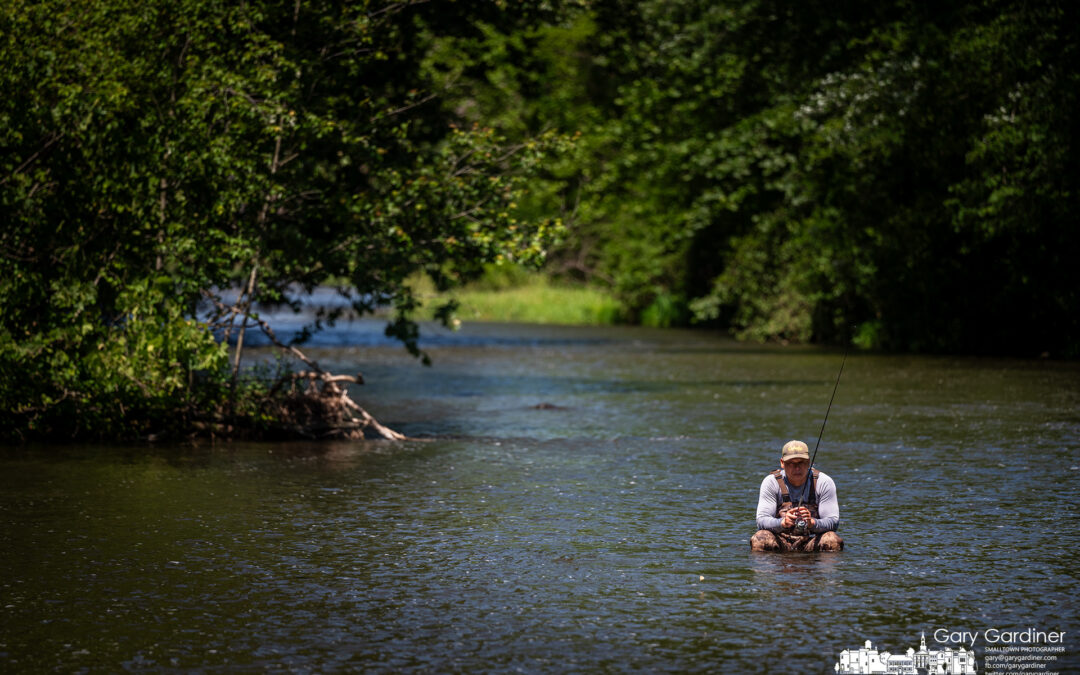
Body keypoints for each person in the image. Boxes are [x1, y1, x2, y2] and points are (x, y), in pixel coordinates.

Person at [751, 440, 844, 552]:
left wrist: (813, 523)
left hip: (812, 541)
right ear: (782, 463)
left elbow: (833, 522)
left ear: (809, 462)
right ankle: (772, 568)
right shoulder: (771, 483)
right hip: (780, 542)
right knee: (760, 538)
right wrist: (782, 523)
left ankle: (819, 568)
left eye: (801, 462)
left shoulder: (824, 482)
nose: (797, 468)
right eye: (791, 463)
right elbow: (761, 521)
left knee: (831, 539)